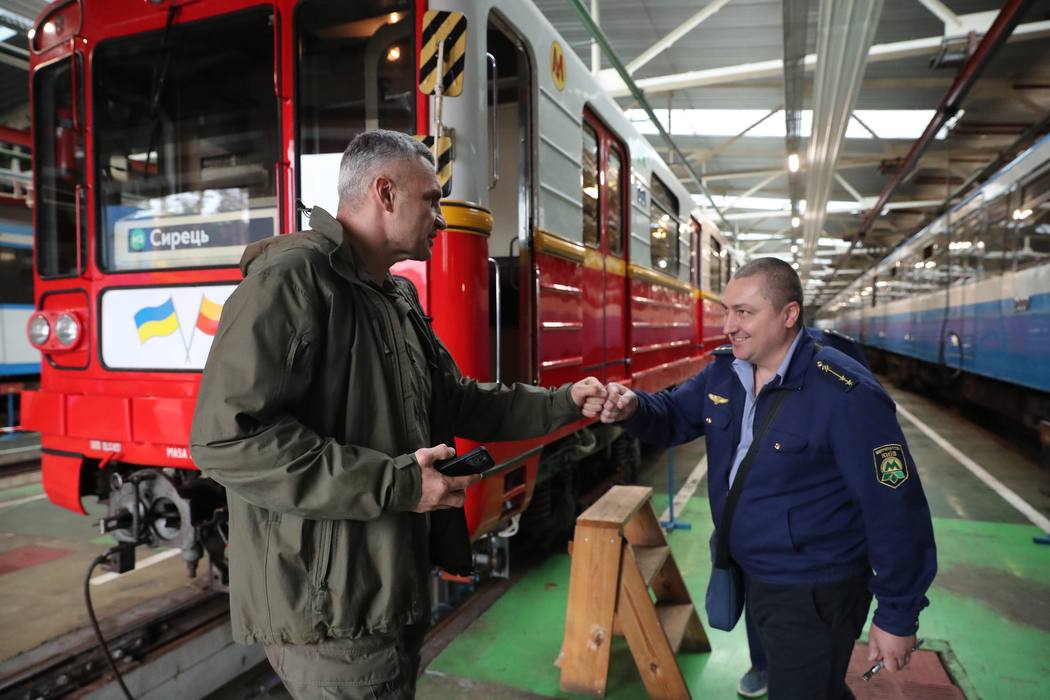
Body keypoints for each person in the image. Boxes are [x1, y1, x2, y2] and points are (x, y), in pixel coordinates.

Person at [190, 129, 607, 699]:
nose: (441, 219)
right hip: (333, 607)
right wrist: (399, 484)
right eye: (431, 200)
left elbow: (455, 400)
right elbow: (227, 441)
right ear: (385, 193)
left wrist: (564, 402)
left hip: (383, 584)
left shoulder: (393, 296)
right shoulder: (294, 282)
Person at [599, 257, 936, 700]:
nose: (728, 326)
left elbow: (895, 508)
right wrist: (632, 407)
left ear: (788, 314)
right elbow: (673, 416)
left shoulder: (844, 393)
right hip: (753, 573)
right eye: (726, 311)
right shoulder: (726, 373)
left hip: (814, 588)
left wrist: (897, 615)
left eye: (744, 312)